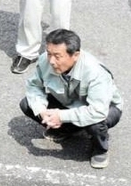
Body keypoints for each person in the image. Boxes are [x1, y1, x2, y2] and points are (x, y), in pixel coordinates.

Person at [21, 29, 122, 170]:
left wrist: (61, 116)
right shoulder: (45, 60)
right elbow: (34, 86)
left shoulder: (96, 72)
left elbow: (98, 111)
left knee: (96, 123)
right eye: (49, 53)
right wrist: (42, 111)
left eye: (57, 56)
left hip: (104, 108)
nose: (51, 61)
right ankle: (66, 130)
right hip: (69, 102)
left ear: (75, 55)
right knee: (27, 104)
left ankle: (100, 149)